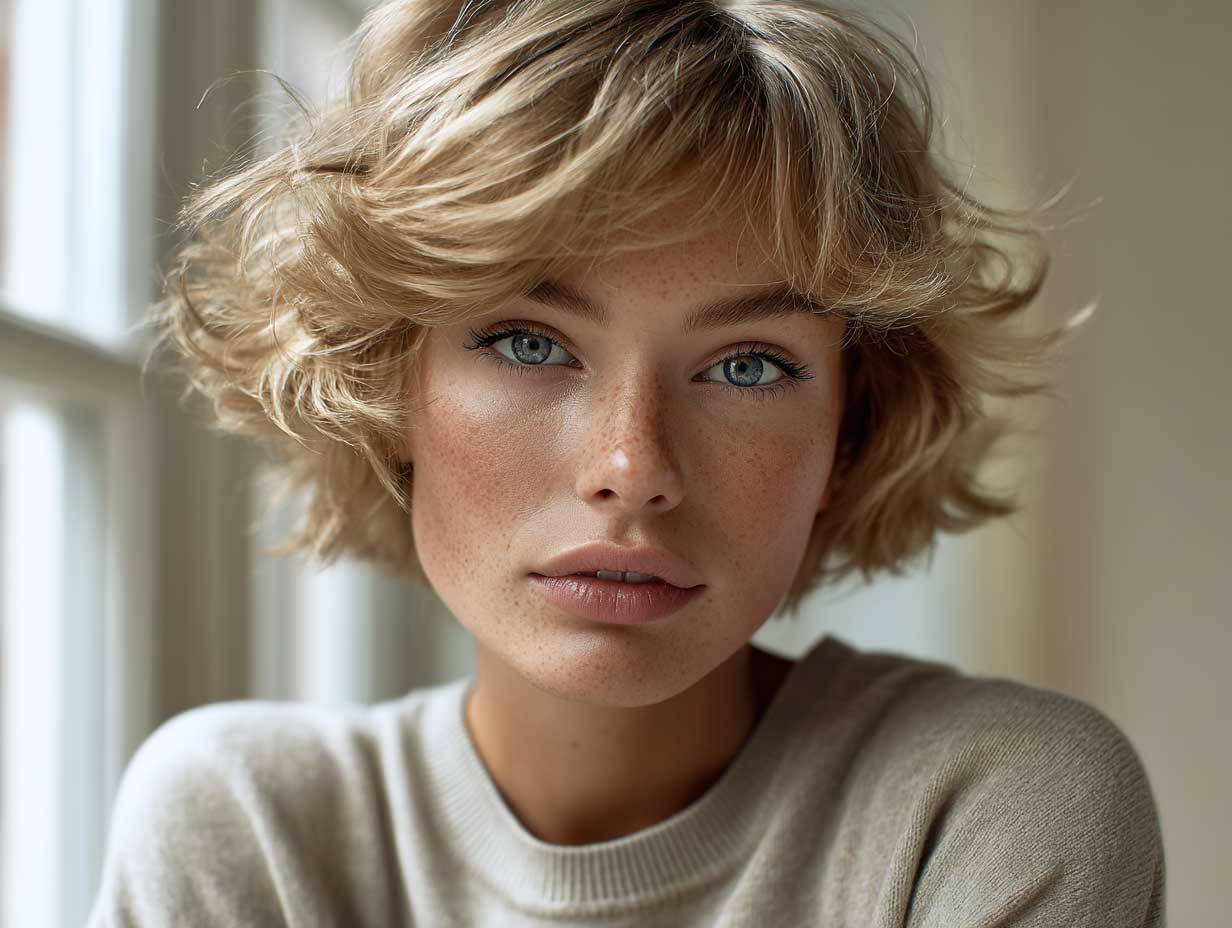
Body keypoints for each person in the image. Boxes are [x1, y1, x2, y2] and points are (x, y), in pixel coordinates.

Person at [88, 0, 1165, 924]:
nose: (629, 465)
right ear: (386, 388)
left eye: (745, 365)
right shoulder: (247, 825)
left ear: (851, 428)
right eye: (527, 343)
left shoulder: (986, 807)